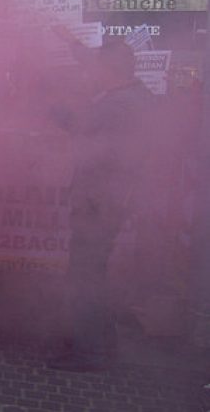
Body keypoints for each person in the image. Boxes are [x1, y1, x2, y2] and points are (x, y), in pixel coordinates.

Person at [47, 41, 154, 372]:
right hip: (108, 202)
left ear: (109, 71)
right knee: (93, 274)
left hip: (99, 205)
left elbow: (86, 135)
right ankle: (101, 343)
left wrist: (55, 110)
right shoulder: (137, 96)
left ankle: (90, 352)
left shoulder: (118, 105)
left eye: (98, 68)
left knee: (85, 277)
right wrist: (71, 42)